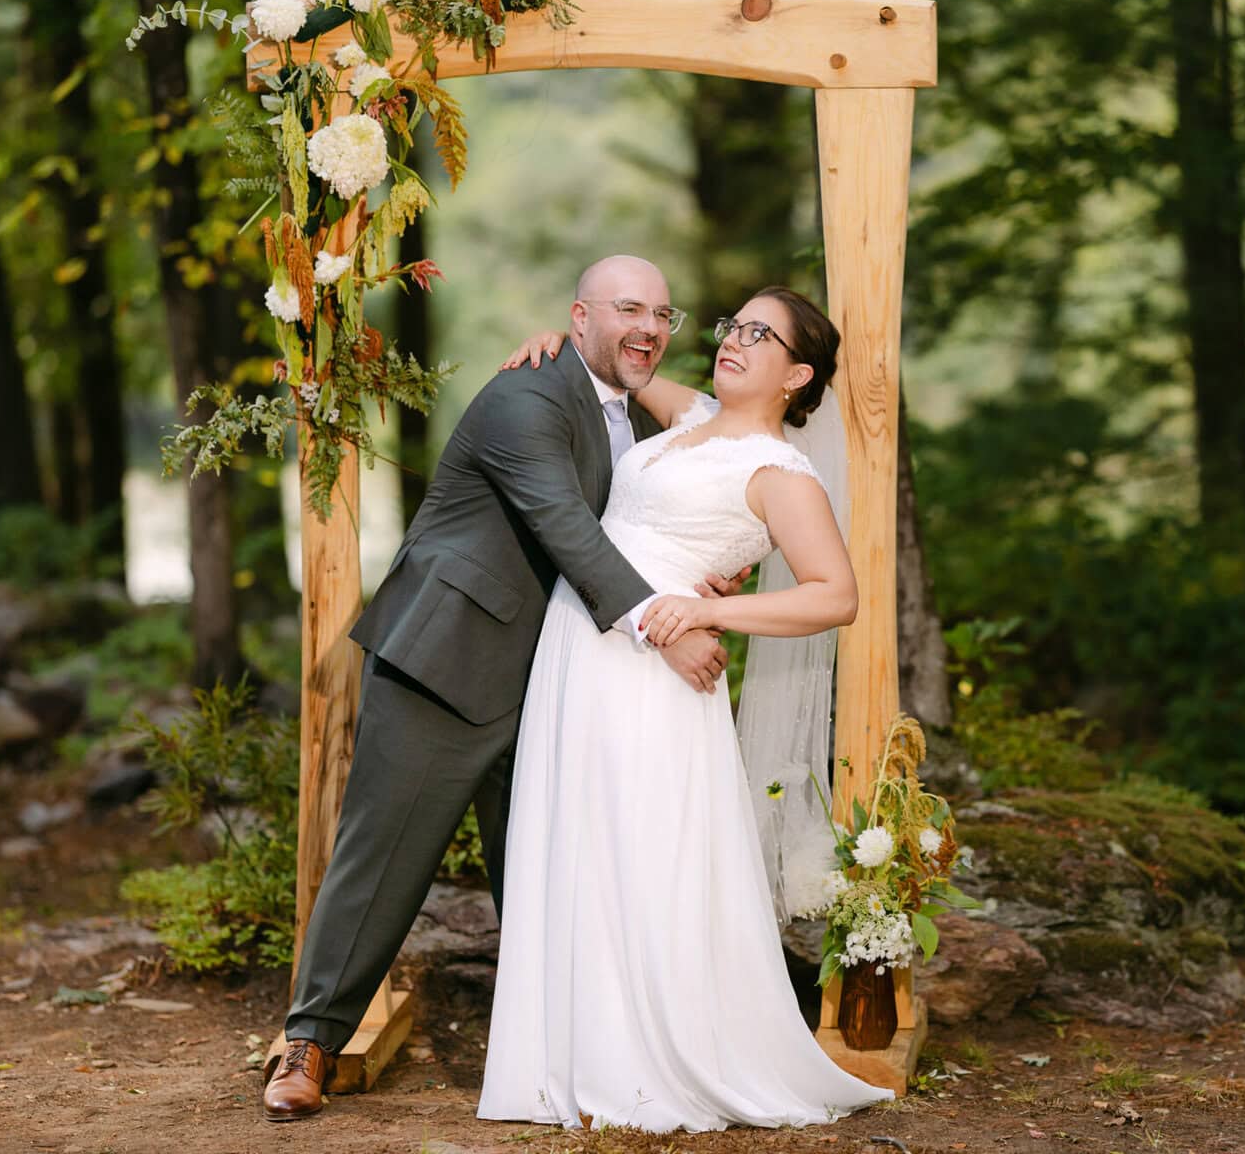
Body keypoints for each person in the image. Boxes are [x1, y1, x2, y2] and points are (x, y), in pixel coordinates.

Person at [262, 255, 743, 1122]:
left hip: (559, 679)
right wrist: (661, 627)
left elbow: (632, 526)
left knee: (556, 866)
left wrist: (695, 579)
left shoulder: (629, 414)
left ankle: (567, 1053)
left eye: (663, 316)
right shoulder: (526, 397)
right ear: (578, 316)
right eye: (627, 309)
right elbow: (563, 523)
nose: (648, 327)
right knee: (384, 860)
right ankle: (310, 1043)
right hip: (449, 660)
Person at [476, 286, 893, 1132]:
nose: (732, 340)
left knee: (640, 849)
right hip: (581, 650)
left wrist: (711, 612)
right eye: (731, 325)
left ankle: (641, 1063)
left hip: (656, 679)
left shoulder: (780, 474)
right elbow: (613, 368)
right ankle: (567, 1055)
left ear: (797, 373)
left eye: (759, 334)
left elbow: (836, 596)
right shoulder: (694, 415)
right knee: (577, 838)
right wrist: (557, 342)